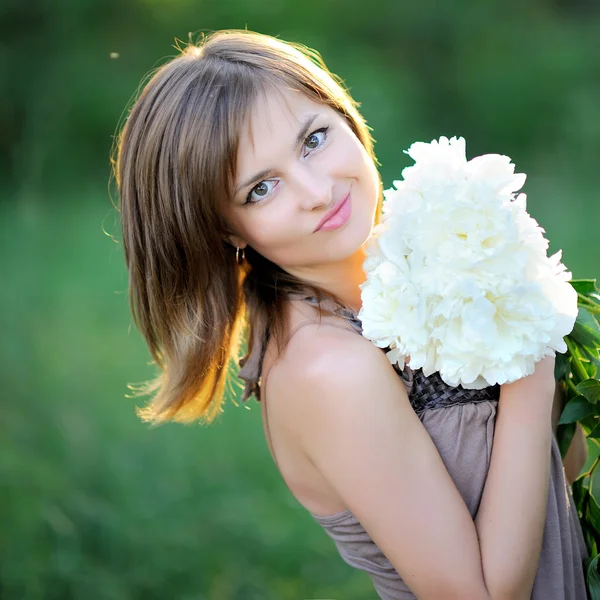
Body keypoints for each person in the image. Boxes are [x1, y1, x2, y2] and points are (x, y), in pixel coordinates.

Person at [114, 29, 589, 599]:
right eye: (261, 188)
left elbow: (560, 468)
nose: (315, 191)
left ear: (345, 116)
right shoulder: (329, 369)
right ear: (225, 229)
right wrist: (528, 340)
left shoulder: (422, 272)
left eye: (313, 139)